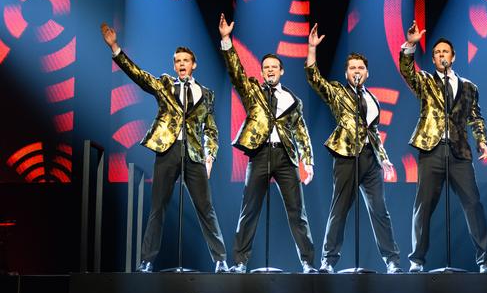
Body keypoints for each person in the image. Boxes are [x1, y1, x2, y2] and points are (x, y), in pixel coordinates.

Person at [100, 23, 228, 272]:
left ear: (194, 65)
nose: (181, 64)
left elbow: (211, 129)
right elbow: (139, 76)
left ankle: (221, 259)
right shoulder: (165, 84)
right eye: (178, 60)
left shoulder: (206, 93)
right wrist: (116, 48)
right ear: (174, 65)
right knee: (158, 207)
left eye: (186, 60)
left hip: (194, 154)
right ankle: (147, 260)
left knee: (205, 208)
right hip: (168, 150)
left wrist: (210, 155)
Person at [218, 14, 317, 274]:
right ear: (261, 72)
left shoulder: (292, 99)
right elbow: (236, 73)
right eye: (266, 68)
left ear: (281, 71)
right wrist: (227, 40)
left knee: (297, 212)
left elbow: (301, 131)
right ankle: (239, 263)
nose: (270, 70)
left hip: (285, 157)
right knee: (249, 210)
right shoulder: (253, 92)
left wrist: (308, 161)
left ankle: (308, 263)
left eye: (275, 67)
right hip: (260, 154)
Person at [305, 24, 402, 274]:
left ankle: (392, 260)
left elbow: (373, 131)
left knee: (380, 210)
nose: (356, 71)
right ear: (346, 73)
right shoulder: (338, 91)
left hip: (370, 158)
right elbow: (315, 80)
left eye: (360, 68)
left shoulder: (372, 98)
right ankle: (328, 260)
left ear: (366, 73)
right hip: (347, 155)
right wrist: (312, 49)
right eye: (352, 68)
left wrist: (385, 159)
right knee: (339, 209)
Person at [399, 20, 487, 273]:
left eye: (445, 52)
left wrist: (482, 140)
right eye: (437, 52)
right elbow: (407, 71)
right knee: (424, 205)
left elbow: (476, 116)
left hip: (459, 151)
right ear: (433, 58)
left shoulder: (469, 87)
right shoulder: (426, 82)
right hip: (432, 149)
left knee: (473, 203)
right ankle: (417, 260)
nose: (441, 55)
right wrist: (410, 45)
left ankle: (484, 260)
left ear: (453, 57)